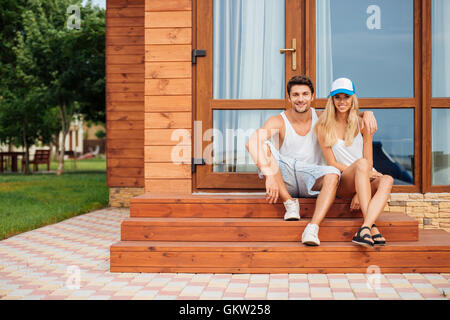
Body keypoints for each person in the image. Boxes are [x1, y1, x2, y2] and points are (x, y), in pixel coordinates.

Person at [246, 75, 378, 246]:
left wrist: (368, 113)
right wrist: (269, 175)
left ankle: (313, 228)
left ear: (312, 96)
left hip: (313, 179)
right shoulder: (278, 120)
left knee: (332, 173)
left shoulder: (323, 118)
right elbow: (252, 142)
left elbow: (346, 112)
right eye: (295, 95)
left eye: (305, 94)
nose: (300, 99)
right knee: (265, 147)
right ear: (289, 97)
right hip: (287, 180)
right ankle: (289, 203)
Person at [315, 78, 393, 248]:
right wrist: (362, 173)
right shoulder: (323, 126)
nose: (342, 102)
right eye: (338, 97)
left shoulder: (362, 123)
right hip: (344, 180)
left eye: (346, 97)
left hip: (364, 174)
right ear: (332, 100)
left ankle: (365, 227)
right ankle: (371, 227)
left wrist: (362, 182)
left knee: (387, 179)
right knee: (362, 164)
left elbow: (369, 158)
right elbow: (332, 162)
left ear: (353, 99)